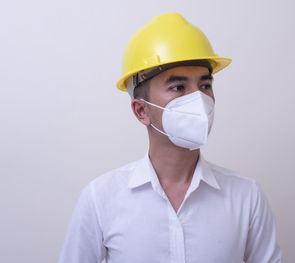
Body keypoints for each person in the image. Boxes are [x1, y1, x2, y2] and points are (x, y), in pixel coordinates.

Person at [59, 12, 282, 263]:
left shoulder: (246, 196)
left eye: (205, 85)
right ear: (141, 110)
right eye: (179, 87)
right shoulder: (101, 198)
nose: (198, 99)